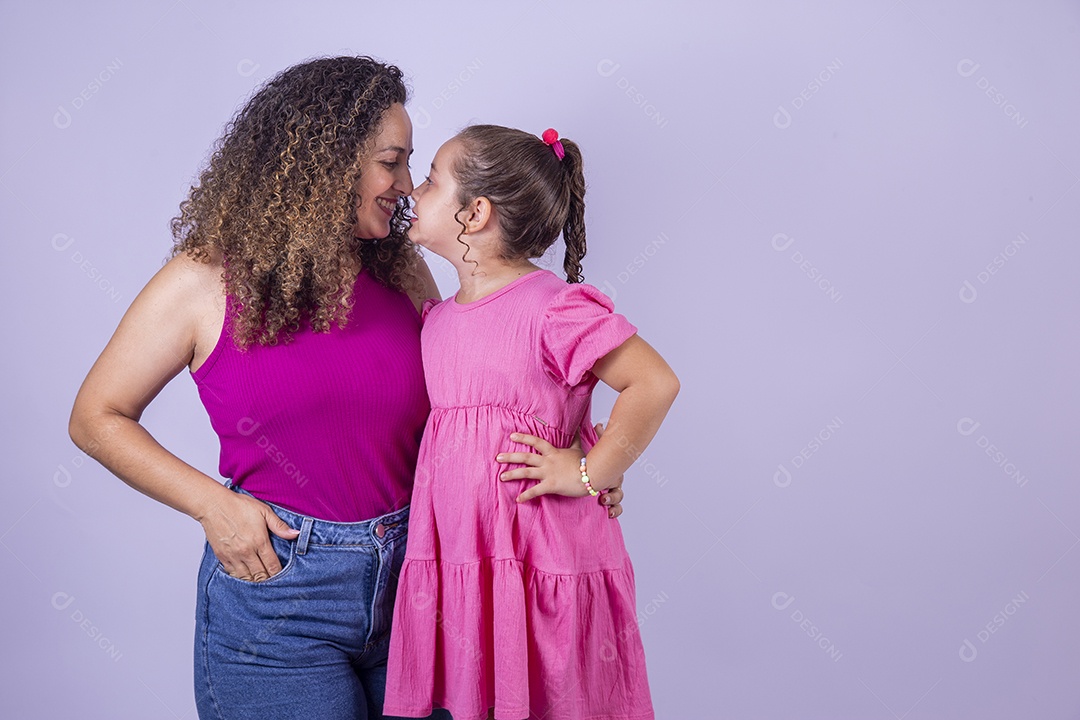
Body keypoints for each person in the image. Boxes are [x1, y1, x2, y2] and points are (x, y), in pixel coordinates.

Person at [67, 58, 623, 720]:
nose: (407, 186)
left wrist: (586, 465)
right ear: (326, 162)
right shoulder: (200, 282)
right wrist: (213, 506)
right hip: (280, 599)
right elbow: (97, 416)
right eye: (392, 162)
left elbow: (473, 403)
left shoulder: (403, 271)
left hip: (424, 581)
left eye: (415, 165)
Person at [383, 125, 680, 720]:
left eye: (433, 178)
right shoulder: (438, 318)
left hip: (543, 553)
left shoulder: (553, 307)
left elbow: (654, 383)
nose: (415, 187)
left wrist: (594, 471)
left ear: (475, 212)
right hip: (466, 554)